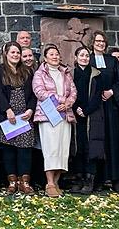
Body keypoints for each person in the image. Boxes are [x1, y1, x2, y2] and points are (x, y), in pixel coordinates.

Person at [0, 41, 36, 195]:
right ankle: (12, 182)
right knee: (8, 149)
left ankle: (24, 182)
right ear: (6, 54)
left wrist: (30, 109)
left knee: (25, 149)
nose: (15, 55)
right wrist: (7, 110)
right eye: (13, 53)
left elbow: (33, 93)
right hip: (6, 116)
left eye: (18, 53)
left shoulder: (28, 72)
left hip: (24, 116)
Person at [32, 44, 75, 198]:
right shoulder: (40, 73)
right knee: (51, 149)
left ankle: (56, 181)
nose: (55, 56)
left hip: (65, 114)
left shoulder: (66, 73)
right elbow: (39, 91)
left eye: (57, 54)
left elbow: (73, 91)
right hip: (48, 115)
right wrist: (60, 100)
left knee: (63, 149)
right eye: (51, 54)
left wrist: (67, 103)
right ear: (45, 57)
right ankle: (49, 182)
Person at [87, 30, 119, 190]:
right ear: (92, 43)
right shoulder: (87, 59)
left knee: (113, 141)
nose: (100, 44)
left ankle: (115, 179)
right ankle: (98, 180)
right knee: (97, 142)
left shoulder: (112, 61)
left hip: (110, 107)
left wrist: (111, 92)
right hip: (95, 108)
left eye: (102, 41)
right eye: (97, 41)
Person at [69, 45, 106, 194]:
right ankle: (79, 179)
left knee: (91, 148)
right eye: (81, 55)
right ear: (76, 58)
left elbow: (98, 96)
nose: (84, 58)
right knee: (78, 148)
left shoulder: (96, 74)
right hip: (76, 115)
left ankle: (90, 181)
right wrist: (77, 108)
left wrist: (86, 110)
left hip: (92, 115)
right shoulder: (71, 74)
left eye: (86, 56)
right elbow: (69, 92)